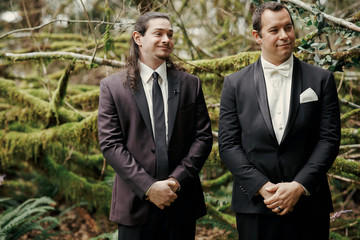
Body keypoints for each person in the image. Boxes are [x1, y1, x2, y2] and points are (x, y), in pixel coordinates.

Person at [218, 2, 340, 240]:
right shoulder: (234, 84)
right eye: (274, 30)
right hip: (255, 205)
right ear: (257, 36)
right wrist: (263, 187)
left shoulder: (321, 79)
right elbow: (229, 145)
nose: (285, 35)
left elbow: (329, 139)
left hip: (309, 204)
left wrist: (298, 186)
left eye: (288, 27)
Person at [97, 12, 213, 240]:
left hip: (181, 202)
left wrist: (176, 181)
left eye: (170, 34)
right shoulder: (112, 87)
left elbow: (203, 138)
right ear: (138, 38)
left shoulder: (191, 84)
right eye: (158, 33)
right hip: (135, 204)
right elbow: (110, 144)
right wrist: (149, 187)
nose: (166, 39)